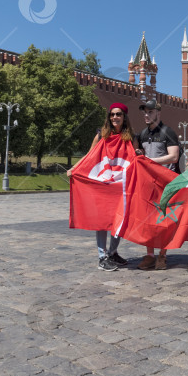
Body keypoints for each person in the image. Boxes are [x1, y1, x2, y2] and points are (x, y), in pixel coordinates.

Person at [67, 103, 133, 271]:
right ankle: (102, 257)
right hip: (102, 185)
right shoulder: (100, 136)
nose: (115, 117)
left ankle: (113, 252)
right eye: (112, 115)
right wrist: (74, 169)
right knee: (102, 221)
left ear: (124, 117)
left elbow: (135, 159)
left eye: (118, 114)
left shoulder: (130, 137)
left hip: (120, 186)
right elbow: (89, 156)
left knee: (120, 221)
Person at [136, 99, 180, 270]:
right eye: (145, 112)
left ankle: (162, 254)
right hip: (149, 183)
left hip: (165, 183)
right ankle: (149, 255)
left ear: (158, 113)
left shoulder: (168, 132)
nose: (147, 115)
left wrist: (151, 161)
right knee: (148, 220)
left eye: (151, 112)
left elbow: (174, 156)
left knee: (164, 220)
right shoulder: (142, 134)